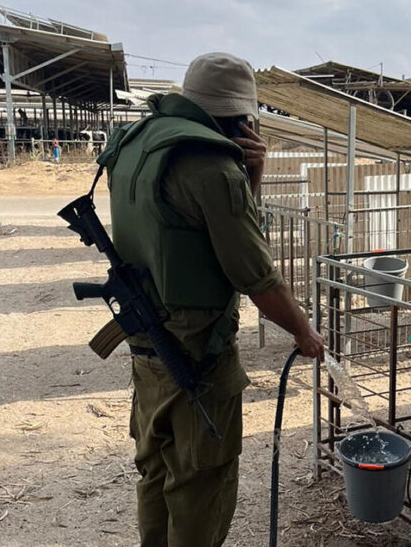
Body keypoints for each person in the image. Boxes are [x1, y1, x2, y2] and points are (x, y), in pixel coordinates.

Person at [106, 52, 324, 546]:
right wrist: (304, 331)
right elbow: (258, 278)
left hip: (147, 345)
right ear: (244, 118)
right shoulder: (214, 170)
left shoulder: (138, 143)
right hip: (197, 357)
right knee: (202, 481)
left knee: (157, 472)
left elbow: (191, 233)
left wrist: (254, 176)